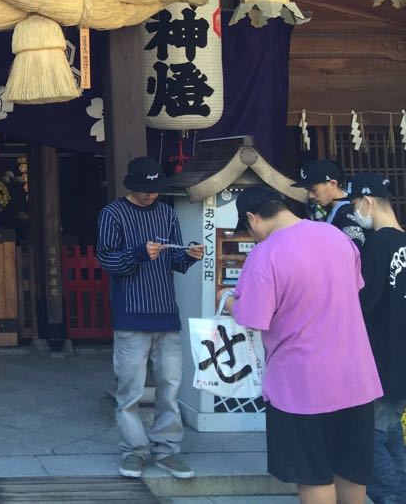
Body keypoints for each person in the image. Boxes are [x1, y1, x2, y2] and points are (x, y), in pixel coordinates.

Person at [223, 186, 381, 504]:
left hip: (303, 385)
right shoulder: (338, 238)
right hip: (357, 377)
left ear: (252, 219)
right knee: (352, 472)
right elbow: (355, 287)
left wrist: (226, 301)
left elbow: (253, 317)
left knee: (314, 475)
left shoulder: (264, 255)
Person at [96, 156, 204, 481]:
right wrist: (139, 253)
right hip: (131, 314)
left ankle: (167, 450)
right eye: (145, 190)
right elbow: (107, 260)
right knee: (130, 390)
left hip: (166, 313)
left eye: (155, 189)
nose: (151, 195)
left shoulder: (167, 213)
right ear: (132, 186)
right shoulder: (113, 213)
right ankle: (134, 450)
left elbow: (174, 260)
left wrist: (188, 255)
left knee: (170, 386)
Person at [350, 173, 406, 504]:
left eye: (354, 205)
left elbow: (363, 302)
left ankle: (399, 498)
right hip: (404, 353)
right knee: (390, 433)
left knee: (365, 440)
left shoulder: (377, 244)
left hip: (378, 357)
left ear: (367, 201)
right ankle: (405, 496)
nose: (355, 214)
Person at [294, 159, 365, 247]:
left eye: (313, 189)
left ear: (332, 184)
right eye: (307, 190)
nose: (310, 196)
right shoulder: (333, 207)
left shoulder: (348, 212)